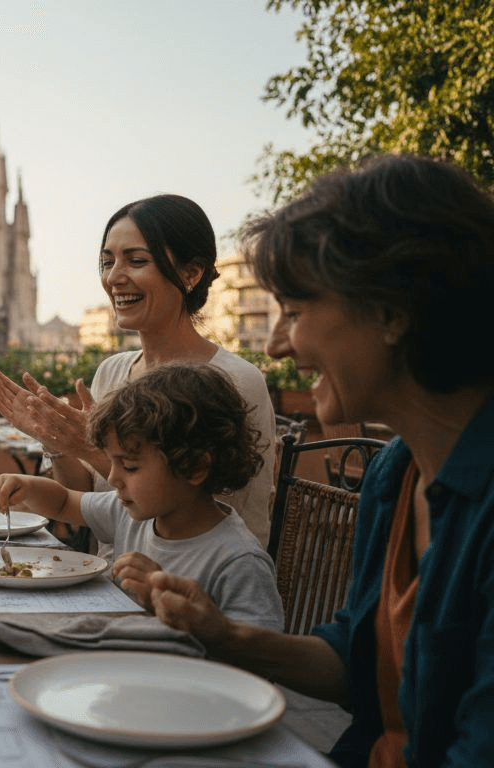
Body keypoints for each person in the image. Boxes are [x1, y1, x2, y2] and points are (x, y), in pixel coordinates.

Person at [147, 155, 494, 767]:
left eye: (297, 312)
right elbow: (354, 665)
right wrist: (223, 634)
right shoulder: (395, 475)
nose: (279, 344)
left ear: (390, 312)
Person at [0, 194, 276, 546]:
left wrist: (90, 449)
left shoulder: (234, 381)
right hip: (111, 576)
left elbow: (205, 518)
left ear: (191, 273)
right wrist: (57, 441)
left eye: (136, 261)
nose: (114, 278)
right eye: (107, 262)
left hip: (195, 588)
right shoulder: (112, 372)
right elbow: (85, 498)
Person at [0, 362, 281, 630]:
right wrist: (25, 486)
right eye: (112, 461)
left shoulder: (239, 562)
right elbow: (65, 502)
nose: (113, 477)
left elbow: (259, 658)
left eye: (129, 466)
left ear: (195, 466)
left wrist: (174, 608)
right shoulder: (133, 514)